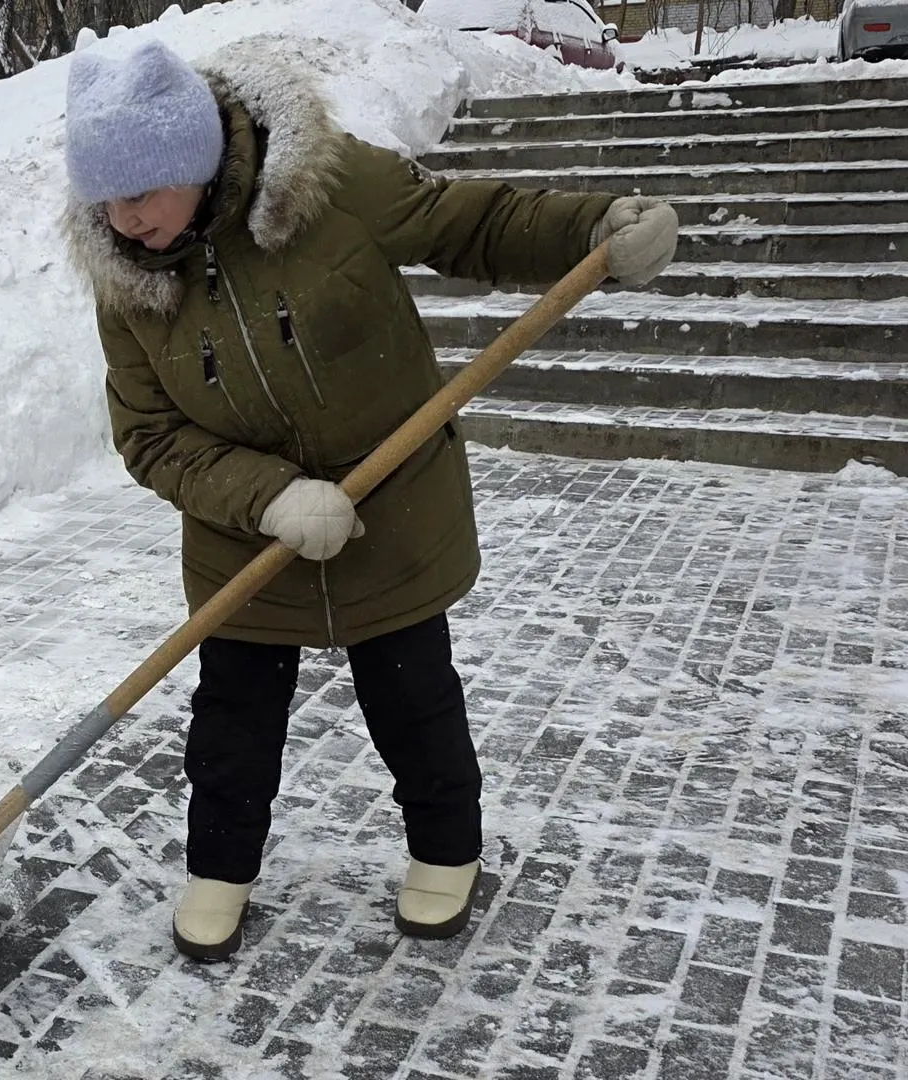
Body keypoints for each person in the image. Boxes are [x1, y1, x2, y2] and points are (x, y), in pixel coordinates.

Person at [60, 35, 678, 961]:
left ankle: (446, 851)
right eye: (105, 196)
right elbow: (149, 436)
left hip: (390, 504)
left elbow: (467, 221)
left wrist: (592, 229)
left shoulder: (328, 188)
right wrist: (268, 498)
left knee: (413, 695)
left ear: (190, 160)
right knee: (233, 717)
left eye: (140, 190)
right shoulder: (130, 282)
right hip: (248, 538)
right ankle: (219, 869)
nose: (123, 217)